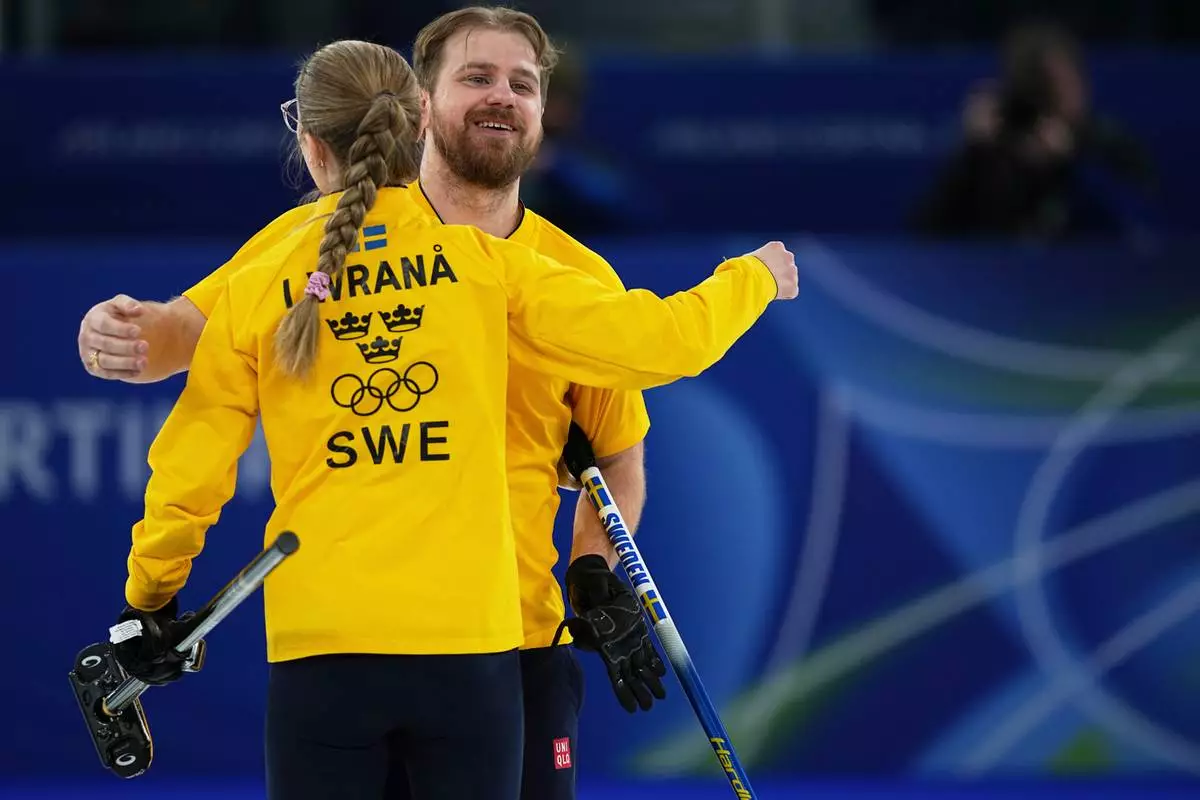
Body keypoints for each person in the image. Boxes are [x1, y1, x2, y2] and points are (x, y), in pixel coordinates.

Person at [78, 7, 796, 798]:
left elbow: (617, 450)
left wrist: (593, 572)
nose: (502, 96)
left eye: (522, 83)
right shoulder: (373, 255)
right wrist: (118, 330)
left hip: (508, 635)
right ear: (422, 104)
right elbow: (184, 334)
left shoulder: (561, 268)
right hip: (462, 648)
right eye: (477, 77)